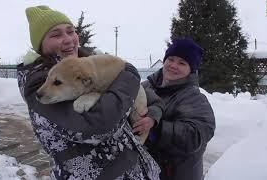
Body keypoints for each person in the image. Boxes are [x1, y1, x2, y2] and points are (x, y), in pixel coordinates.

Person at [17, 5, 163, 180]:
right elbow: (99, 126)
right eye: (56, 35)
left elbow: (144, 93)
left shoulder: (88, 63)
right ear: (40, 44)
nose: (68, 39)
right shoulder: (38, 83)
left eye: (71, 31)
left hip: (136, 168)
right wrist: (130, 72)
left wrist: (153, 115)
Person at [142, 38, 216, 180]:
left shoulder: (193, 98)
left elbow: (196, 136)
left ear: (191, 69)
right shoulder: (146, 87)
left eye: (182, 63)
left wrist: (157, 129)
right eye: (171, 59)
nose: (173, 65)